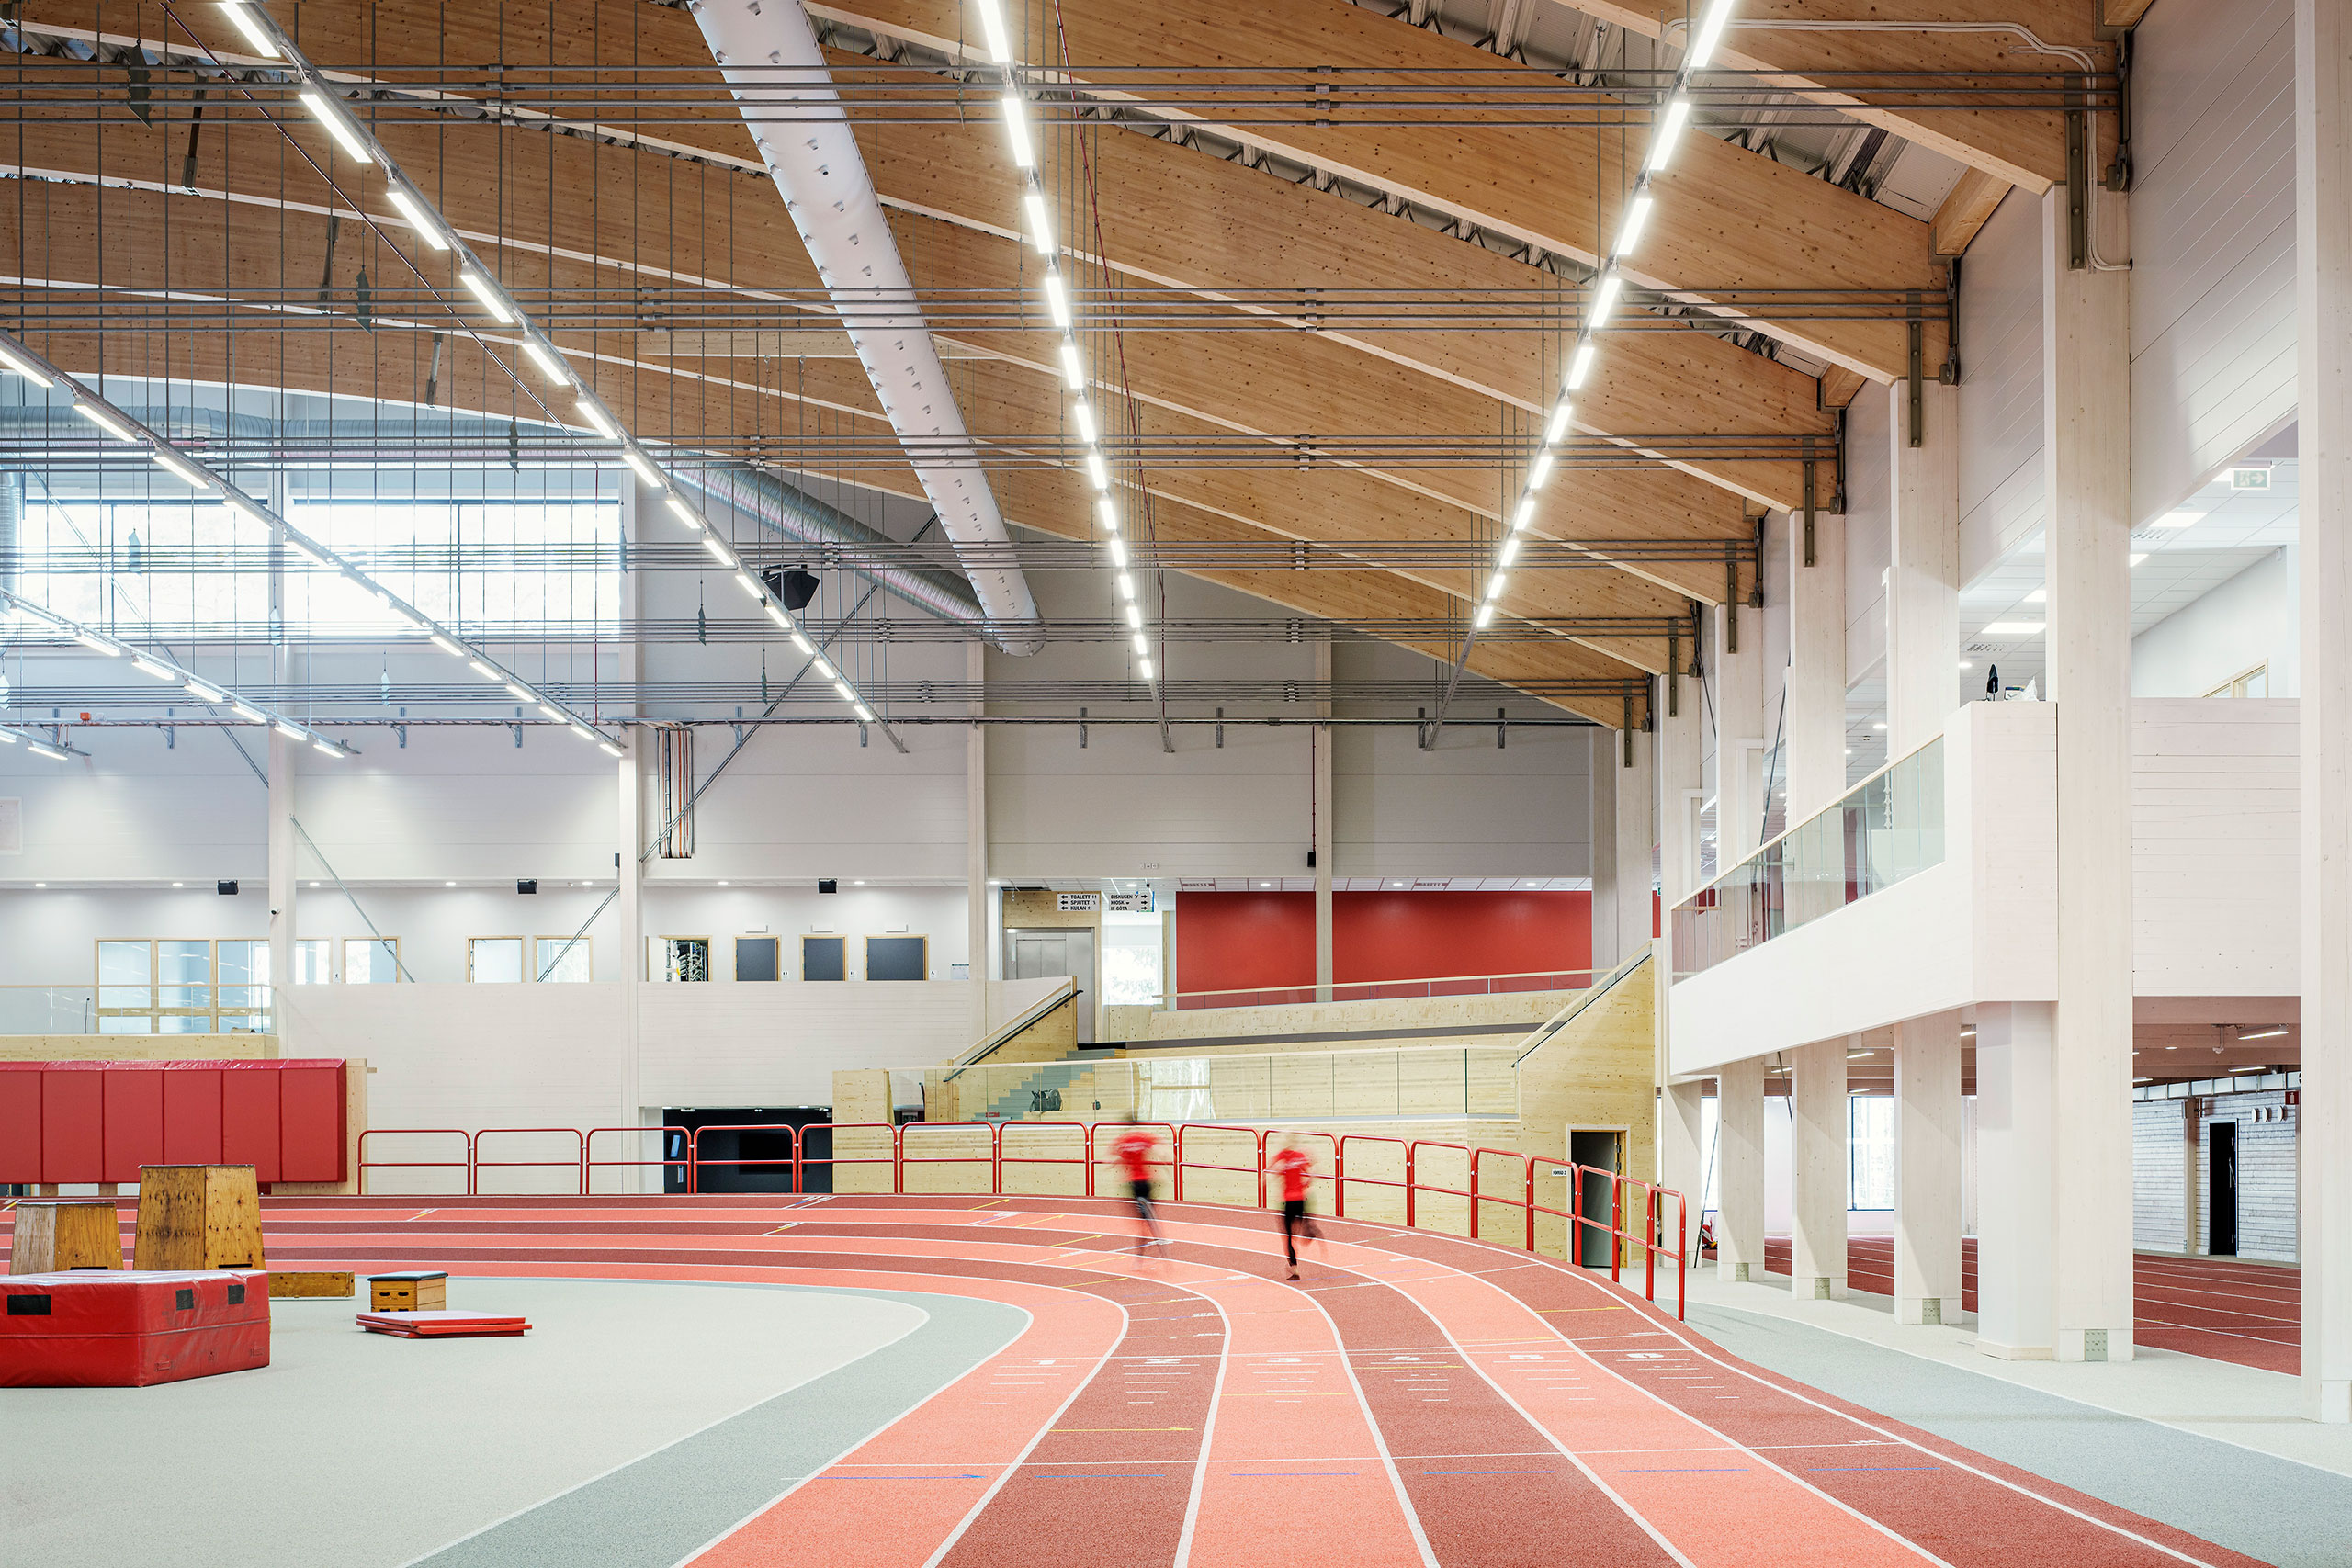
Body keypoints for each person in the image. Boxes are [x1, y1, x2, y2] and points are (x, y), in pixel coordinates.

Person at [1111, 1118, 1167, 1255]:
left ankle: (1143, 1250)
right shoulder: (1143, 1137)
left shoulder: (1123, 1140)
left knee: (1143, 1219)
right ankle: (1155, 1239)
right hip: (1146, 1183)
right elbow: (1159, 1149)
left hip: (1133, 1184)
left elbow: (1116, 1156)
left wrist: (1115, 1165)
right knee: (1148, 1216)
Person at [1267, 1136, 1320, 1280]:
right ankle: (1308, 1232)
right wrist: (1305, 1185)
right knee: (1296, 1230)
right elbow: (1312, 1172)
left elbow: (1270, 1169)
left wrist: (1270, 1177)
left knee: (1288, 1237)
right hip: (1301, 1200)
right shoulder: (1300, 1156)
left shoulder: (1282, 1156)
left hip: (1288, 1201)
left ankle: (1295, 1269)